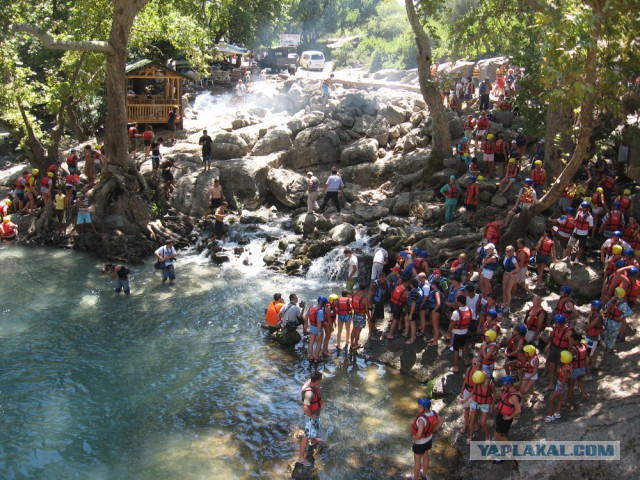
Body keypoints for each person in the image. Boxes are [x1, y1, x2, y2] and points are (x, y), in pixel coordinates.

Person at [411, 398, 443, 480]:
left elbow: (419, 432)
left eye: (420, 407)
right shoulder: (433, 413)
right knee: (426, 455)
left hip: (420, 442)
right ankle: (424, 475)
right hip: (428, 439)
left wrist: (415, 439)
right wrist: (433, 430)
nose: (418, 408)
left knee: (417, 461)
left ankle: (415, 478)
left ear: (425, 408)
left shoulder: (422, 419)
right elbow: (441, 421)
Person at [297, 371, 323, 467]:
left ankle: (313, 440)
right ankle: (301, 458)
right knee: (306, 435)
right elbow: (305, 407)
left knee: (314, 428)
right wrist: (311, 416)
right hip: (311, 416)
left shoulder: (311, 382)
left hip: (315, 414)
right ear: (318, 381)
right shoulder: (309, 393)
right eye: (320, 380)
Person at [493, 376, 521, 451]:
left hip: (505, 418)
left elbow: (518, 410)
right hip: (502, 416)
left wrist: (510, 417)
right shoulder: (508, 391)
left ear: (508, 385)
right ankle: (506, 447)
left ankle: (510, 446)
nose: (502, 387)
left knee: (497, 436)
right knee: (504, 433)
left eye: (503, 385)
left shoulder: (514, 396)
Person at [467, 370, 496, 444]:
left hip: (485, 404)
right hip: (475, 402)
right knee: (472, 420)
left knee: (483, 423)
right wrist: (465, 400)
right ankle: (470, 435)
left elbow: (495, 395)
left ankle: (487, 436)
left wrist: (492, 406)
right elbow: (473, 392)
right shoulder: (477, 382)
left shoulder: (490, 384)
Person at [445, 295, 472, 373]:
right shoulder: (470, 310)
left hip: (456, 333)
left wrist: (448, 333)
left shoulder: (456, 313)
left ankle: (456, 367)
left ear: (459, 302)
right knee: (464, 345)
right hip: (465, 332)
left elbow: (452, 324)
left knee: (456, 349)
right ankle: (466, 360)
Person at [545, 350, 573, 423]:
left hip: (561, 385)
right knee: (560, 398)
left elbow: (564, 379)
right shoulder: (567, 365)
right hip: (559, 384)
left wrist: (560, 388)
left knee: (551, 399)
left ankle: (550, 415)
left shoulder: (566, 369)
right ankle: (557, 413)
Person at [602, 287, 632, 352]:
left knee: (612, 336)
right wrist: (611, 300)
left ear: (619, 294)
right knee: (607, 334)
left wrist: (621, 317)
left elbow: (629, 312)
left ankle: (610, 348)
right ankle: (607, 346)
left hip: (615, 323)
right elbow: (607, 306)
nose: (614, 293)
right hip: (609, 320)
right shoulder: (613, 300)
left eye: (616, 292)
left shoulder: (623, 304)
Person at [350, 283, 371, 353]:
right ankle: (356, 344)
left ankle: (351, 343)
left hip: (355, 314)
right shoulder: (364, 298)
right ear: (365, 289)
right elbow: (367, 310)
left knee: (354, 329)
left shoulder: (355, 294)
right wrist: (369, 318)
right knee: (358, 331)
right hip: (361, 316)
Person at [307, 296, 328, 362]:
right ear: (323, 304)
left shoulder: (311, 307)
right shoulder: (320, 311)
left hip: (312, 328)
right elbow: (319, 322)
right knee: (319, 343)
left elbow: (306, 316)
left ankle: (311, 357)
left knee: (311, 343)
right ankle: (316, 358)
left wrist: (305, 325)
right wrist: (319, 333)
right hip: (318, 330)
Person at [501, 246, 520, 313]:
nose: (507, 252)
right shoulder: (504, 256)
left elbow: (517, 268)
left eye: (508, 251)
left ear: (512, 252)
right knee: (504, 290)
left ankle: (507, 306)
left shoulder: (513, 259)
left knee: (507, 291)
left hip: (512, 275)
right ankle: (504, 303)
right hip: (505, 273)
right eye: (506, 250)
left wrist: (511, 273)